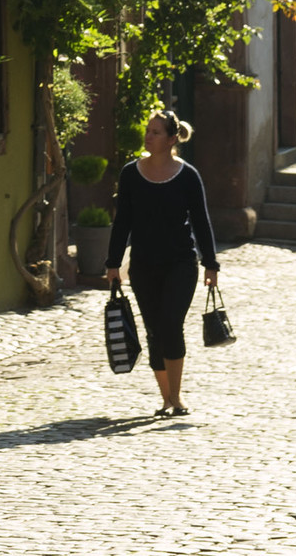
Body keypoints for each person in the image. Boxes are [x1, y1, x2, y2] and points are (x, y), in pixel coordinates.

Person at [105, 108, 219, 417]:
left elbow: (201, 221)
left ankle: (177, 396)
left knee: (171, 324)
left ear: (171, 139)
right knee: (154, 329)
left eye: (156, 132)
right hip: (143, 264)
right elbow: (123, 222)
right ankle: (166, 398)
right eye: (148, 131)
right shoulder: (131, 173)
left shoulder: (187, 175)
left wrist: (211, 264)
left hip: (181, 262)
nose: (149, 136)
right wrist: (113, 263)